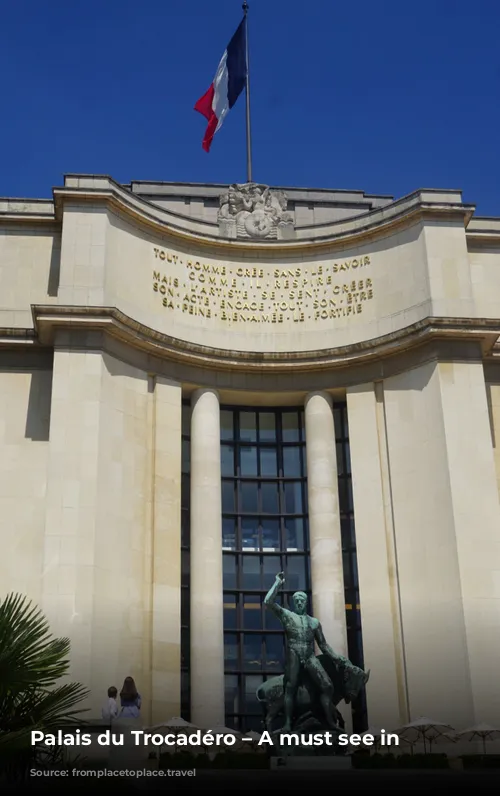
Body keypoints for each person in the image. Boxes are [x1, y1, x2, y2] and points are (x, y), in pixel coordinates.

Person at [264, 571, 368, 733]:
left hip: (309, 655)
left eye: (302, 600)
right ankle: (287, 724)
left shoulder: (314, 622)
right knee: (290, 687)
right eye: (296, 600)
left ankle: (330, 723)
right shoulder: (287, 616)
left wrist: (340, 659)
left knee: (327, 686)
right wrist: (277, 583)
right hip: (294, 653)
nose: (299, 602)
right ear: (293, 603)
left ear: (306, 603)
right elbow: (268, 602)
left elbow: (324, 646)